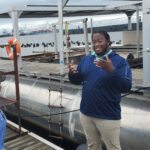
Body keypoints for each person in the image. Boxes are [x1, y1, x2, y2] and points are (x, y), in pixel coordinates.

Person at [68, 30, 132, 150]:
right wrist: (72, 74)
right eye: (94, 42)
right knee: (92, 146)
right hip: (86, 113)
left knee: (113, 147)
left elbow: (126, 87)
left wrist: (111, 70)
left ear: (107, 41)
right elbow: (76, 80)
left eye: (100, 41)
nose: (96, 44)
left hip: (108, 116)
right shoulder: (87, 59)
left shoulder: (120, 62)